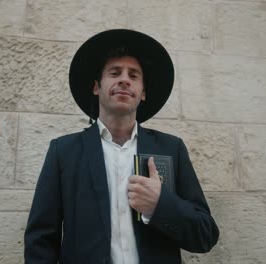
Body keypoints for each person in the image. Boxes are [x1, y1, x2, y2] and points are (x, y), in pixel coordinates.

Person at [24, 29, 219, 264]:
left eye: (134, 75)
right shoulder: (63, 151)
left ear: (143, 93)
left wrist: (161, 204)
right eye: (115, 73)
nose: (124, 79)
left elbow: (205, 235)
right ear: (97, 86)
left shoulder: (171, 148)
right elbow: (41, 240)